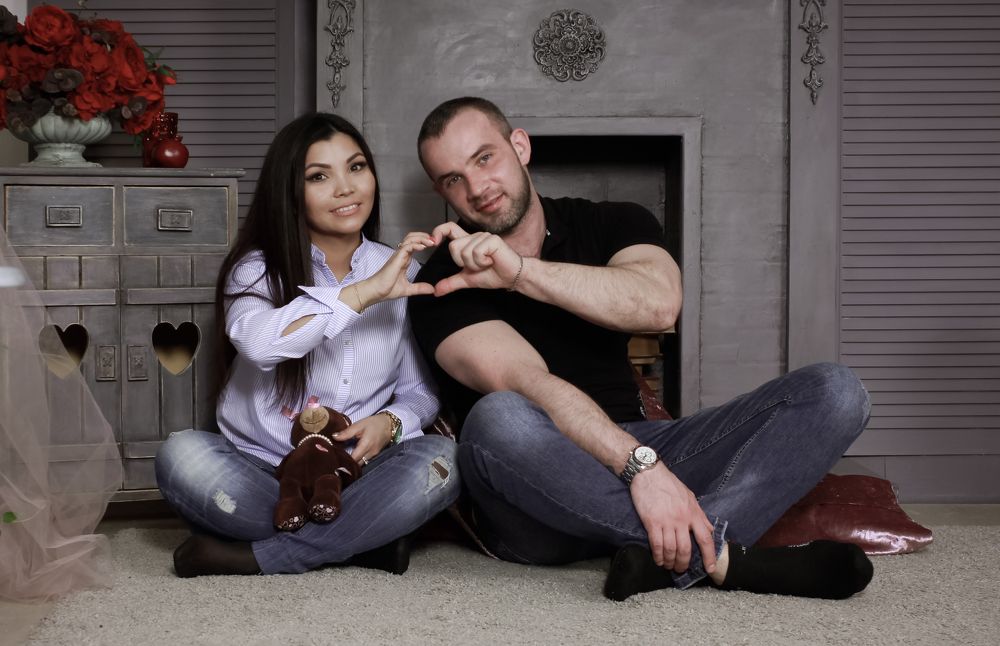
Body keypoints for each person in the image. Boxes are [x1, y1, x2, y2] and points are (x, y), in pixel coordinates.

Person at [408, 96, 874, 601]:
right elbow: (530, 385)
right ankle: (724, 556)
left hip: (645, 441)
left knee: (837, 390)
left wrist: (520, 273)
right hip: (537, 490)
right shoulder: (439, 283)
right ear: (442, 191)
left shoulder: (612, 222)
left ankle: (670, 555)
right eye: (454, 178)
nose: (477, 188)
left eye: (484, 158)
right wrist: (642, 471)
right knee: (498, 418)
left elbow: (657, 307)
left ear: (519, 146)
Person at [155, 112, 459, 578]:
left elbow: (421, 392)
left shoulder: (403, 271)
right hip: (259, 473)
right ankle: (364, 541)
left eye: (356, 167)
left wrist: (390, 423)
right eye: (320, 176)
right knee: (181, 456)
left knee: (444, 462)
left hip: (354, 475)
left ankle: (260, 555)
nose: (346, 187)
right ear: (291, 192)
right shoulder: (255, 269)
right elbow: (259, 344)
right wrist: (364, 293)